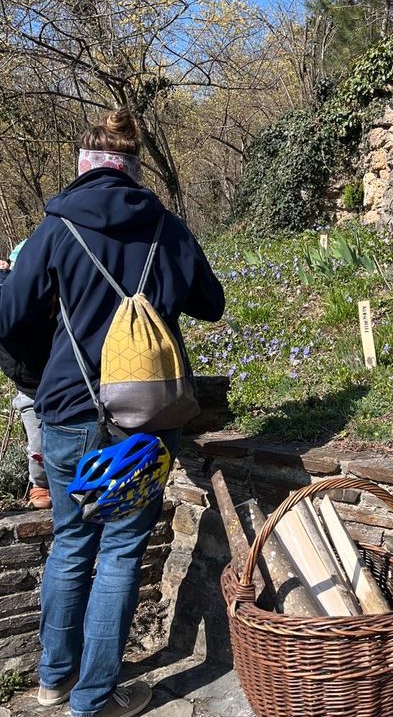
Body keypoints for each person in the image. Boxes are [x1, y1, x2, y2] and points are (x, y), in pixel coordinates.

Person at [0, 108, 225, 717]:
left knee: (72, 544)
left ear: (82, 168)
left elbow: (8, 319)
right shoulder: (167, 228)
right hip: (145, 420)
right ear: (132, 168)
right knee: (123, 551)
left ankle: (54, 681)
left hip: (69, 411)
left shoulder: (54, 230)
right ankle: (95, 698)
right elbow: (212, 303)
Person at [0, 239, 52, 508]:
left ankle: (55, 484)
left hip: (61, 380)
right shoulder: (8, 295)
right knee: (38, 444)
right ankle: (40, 485)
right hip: (30, 384)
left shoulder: (52, 294)